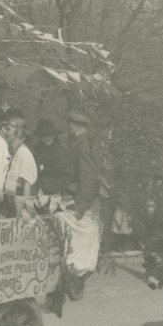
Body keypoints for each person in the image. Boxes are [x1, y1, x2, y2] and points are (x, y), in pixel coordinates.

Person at [55, 111, 102, 302]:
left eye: (69, 127)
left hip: (83, 200)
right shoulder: (81, 143)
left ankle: (77, 278)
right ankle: (70, 276)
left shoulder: (82, 146)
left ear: (73, 127)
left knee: (81, 239)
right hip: (75, 195)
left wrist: (80, 207)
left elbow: (87, 177)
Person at [0, 117, 38, 217]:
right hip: (11, 203)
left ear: (19, 133)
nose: (4, 132)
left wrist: (25, 212)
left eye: (8, 129)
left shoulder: (23, 153)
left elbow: (27, 185)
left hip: (19, 204)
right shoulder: (14, 151)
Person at [33, 118, 74, 200]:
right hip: (35, 192)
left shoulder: (61, 152)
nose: (48, 138)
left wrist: (42, 184)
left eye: (50, 135)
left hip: (56, 194)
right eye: (44, 135)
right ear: (40, 137)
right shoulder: (36, 150)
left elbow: (66, 177)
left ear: (55, 135)